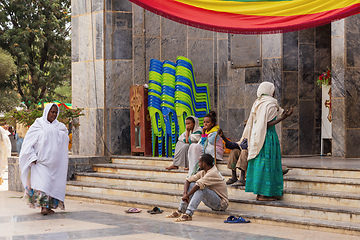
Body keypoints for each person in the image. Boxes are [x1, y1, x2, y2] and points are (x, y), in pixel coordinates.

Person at [243, 82, 293, 201]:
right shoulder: (270, 103)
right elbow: (267, 124)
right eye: (273, 90)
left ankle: (260, 193)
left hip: (258, 137)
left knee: (260, 163)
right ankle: (264, 194)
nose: (274, 92)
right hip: (268, 137)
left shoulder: (258, 102)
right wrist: (283, 118)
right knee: (268, 164)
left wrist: (283, 113)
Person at [19, 104, 69, 215]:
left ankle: (48, 206)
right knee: (43, 185)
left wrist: (56, 133)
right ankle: (44, 207)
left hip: (56, 165)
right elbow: (27, 144)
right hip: (41, 163)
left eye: (56, 112)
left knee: (53, 186)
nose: (54, 114)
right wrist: (32, 157)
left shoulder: (60, 127)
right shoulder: (38, 125)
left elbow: (65, 139)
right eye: (52, 112)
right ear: (46, 112)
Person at [166, 154, 228, 222]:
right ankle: (181, 211)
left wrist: (187, 195)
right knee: (192, 184)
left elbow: (198, 185)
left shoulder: (213, 173)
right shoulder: (204, 171)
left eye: (199, 162)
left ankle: (188, 214)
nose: (198, 164)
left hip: (221, 204)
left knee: (201, 188)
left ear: (204, 164)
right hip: (211, 199)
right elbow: (188, 180)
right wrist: (185, 194)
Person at [187, 111, 223, 176]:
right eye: (204, 122)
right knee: (193, 146)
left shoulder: (215, 133)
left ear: (212, 124)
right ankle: (194, 168)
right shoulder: (207, 132)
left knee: (198, 147)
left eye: (207, 122)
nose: (205, 124)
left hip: (216, 152)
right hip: (207, 149)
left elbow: (205, 144)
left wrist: (203, 133)